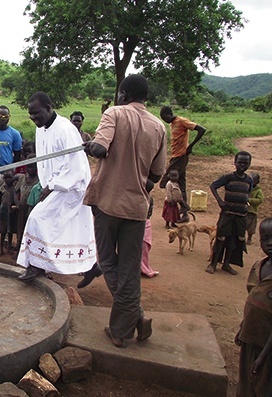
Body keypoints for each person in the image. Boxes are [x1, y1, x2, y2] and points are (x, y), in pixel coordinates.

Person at [83, 74, 167, 348]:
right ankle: (134, 317)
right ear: (145, 97)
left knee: (107, 260)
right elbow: (157, 174)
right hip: (136, 207)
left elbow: (99, 147)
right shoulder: (159, 126)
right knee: (129, 268)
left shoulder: (114, 114)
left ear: (122, 93)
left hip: (107, 203)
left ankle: (121, 331)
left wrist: (92, 146)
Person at [17, 92, 96, 281]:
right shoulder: (41, 128)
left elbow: (75, 166)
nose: (33, 118)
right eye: (30, 114)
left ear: (48, 108)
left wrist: (52, 186)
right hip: (54, 184)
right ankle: (92, 267)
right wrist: (46, 183)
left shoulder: (65, 129)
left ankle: (37, 266)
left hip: (71, 186)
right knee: (67, 228)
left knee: (37, 219)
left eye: (36, 113)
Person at [234, 217, 272, 396]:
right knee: (246, 380)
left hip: (267, 344)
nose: (270, 243)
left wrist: (263, 356)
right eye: (265, 238)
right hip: (251, 337)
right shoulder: (258, 267)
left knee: (263, 383)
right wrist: (243, 327)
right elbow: (252, 302)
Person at [206, 151, 253, 276]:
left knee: (234, 241)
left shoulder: (249, 180)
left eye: (245, 163)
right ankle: (213, 263)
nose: (242, 165)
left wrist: (245, 203)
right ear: (235, 163)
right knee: (221, 239)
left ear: (249, 164)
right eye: (240, 162)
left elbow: (248, 192)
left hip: (241, 216)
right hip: (227, 214)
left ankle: (227, 264)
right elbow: (213, 186)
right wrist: (220, 201)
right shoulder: (228, 177)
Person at [158, 106, 207, 214]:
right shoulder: (172, 124)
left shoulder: (182, 121)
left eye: (166, 117)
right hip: (176, 156)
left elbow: (201, 129)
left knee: (165, 181)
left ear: (170, 113)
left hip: (180, 156)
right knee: (181, 184)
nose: (166, 120)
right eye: (163, 119)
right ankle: (185, 214)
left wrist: (191, 146)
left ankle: (183, 205)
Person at [14, 155, 39, 251]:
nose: (30, 169)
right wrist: (16, 201)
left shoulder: (39, 180)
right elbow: (16, 191)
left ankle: (31, 250)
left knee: (31, 230)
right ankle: (19, 248)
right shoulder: (22, 179)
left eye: (32, 167)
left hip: (32, 211)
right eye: (28, 167)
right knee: (20, 229)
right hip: (22, 209)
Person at [0, 170, 18, 256]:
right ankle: (1, 249)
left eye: (10, 177)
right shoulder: (2, 188)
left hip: (12, 211)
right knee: (3, 231)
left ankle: (9, 247)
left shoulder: (15, 188)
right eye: (6, 178)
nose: (8, 180)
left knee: (10, 231)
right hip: (3, 211)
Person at [141, 180, 159, 278]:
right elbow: (150, 213)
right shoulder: (150, 199)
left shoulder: (140, 198)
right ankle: (144, 268)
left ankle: (141, 268)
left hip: (141, 223)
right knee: (144, 249)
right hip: (146, 223)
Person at [246, 172, 264, 246]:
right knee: (241, 224)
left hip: (252, 211)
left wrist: (249, 200)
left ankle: (249, 238)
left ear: (258, 182)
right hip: (243, 210)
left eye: (254, 181)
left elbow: (260, 200)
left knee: (251, 227)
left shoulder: (258, 191)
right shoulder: (246, 187)